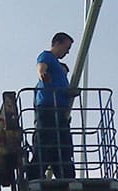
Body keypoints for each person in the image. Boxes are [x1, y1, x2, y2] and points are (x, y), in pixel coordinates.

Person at [27, 32, 76, 180]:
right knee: (45, 144)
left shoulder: (59, 68)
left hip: (59, 111)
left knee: (62, 147)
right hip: (49, 109)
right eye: (66, 47)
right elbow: (41, 67)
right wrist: (43, 75)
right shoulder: (47, 56)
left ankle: (66, 178)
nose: (67, 52)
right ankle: (33, 177)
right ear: (57, 43)